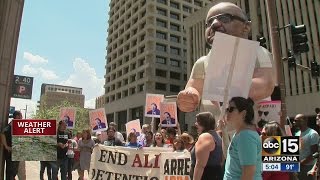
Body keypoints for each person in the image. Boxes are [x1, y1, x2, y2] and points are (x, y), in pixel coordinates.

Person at [176, 2, 275, 113]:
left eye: (225, 18)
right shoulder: (202, 63)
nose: (214, 24)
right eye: (209, 22)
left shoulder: (259, 53)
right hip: (215, 127)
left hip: (252, 126)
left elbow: (265, 85)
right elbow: (195, 87)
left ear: (246, 27)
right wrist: (190, 96)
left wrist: (224, 89)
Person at [223, 97, 262, 180]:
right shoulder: (240, 134)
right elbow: (229, 157)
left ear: (243, 114)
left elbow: (248, 172)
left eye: (231, 109)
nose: (227, 112)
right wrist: (223, 130)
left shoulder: (246, 136)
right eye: (227, 109)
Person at [190, 112, 223, 180]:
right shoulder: (217, 136)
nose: (195, 124)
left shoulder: (205, 137)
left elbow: (200, 166)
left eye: (197, 121)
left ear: (203, 123)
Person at [294, 114, 319, 180]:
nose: (294, 122)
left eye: (297, 121)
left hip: (308, 167)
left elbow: (315, 154)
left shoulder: (312, 134)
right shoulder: (297, 133)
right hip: (298, 167)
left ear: (305, 121)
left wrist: (301, 163)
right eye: (294, 121)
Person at [1, 111, 22, 180]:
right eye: (20, 116)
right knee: (10, 172)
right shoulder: (11, 125)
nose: (21, 118)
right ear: (17, 116)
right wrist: (6, 146)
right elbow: (3, 134)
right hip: (11, 154)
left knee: (14, 172)